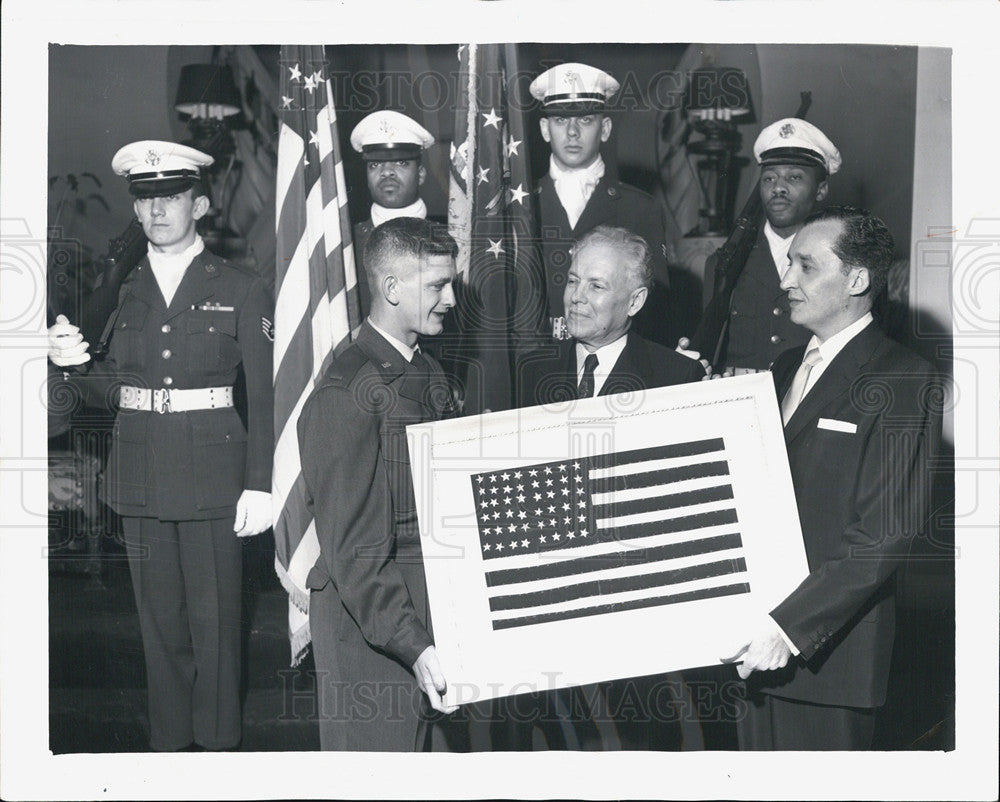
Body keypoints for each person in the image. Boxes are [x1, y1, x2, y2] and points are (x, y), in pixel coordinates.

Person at [47, 140, 274, 751]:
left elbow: (267, 393)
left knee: (218, 628)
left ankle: (219, 752)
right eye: (145, 201)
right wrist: (69, 366)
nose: (156, 213)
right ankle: (169, 754)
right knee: (158, 628)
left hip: (214, 478)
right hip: (142, 471)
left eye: (170, 198)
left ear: (199, 204)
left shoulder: (242, 286)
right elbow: (112, 389)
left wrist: (260, 481)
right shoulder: (121, 288)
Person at [723, 206, 941, 750]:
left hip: (825, 664)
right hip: (750, 652)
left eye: (805, 266)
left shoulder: (903, 378)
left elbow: (882, 537)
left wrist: (788, 628)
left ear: (858, 280)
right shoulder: (781, 370)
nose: (785, 280)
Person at [512, 226, 702, 751]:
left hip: (637, 624)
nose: (576, 297)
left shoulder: (677, 378)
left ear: (635, 300)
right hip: (547, 617)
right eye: (573, 280)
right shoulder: (529, 371)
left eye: (595, 286)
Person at [297, 216, 466, 751]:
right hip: (373, 636)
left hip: (425, 620)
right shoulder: (349, 390)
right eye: (437, 285)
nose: (451, 300)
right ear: (391, 288)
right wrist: (414, 646)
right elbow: (355, 552)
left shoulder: (428, 373)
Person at [682, 118, 841, 374]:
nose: (778, 187)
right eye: (768, 179)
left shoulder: (839, 262)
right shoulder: (724, 262)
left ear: (820, 189)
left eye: (794, 177)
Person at [529, 63, 672, 346]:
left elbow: (656, 306)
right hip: (535, 361)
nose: (571, 132)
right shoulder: (519, 205)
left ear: (605, 128)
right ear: (545, 129)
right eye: (559, 120)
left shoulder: (641, 208)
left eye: (584, 120)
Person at [349, 110, 436, 317]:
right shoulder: (346, 243)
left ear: (421, 174)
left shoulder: (450, 240)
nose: (386, 172)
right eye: (375, 164)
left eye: (401, 163)